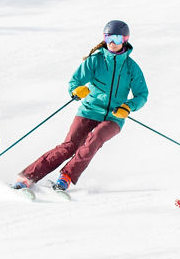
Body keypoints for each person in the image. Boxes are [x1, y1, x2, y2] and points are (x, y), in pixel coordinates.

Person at [13, 20, 148, 192]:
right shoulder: (95, 61)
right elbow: (75, 81)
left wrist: (128, 107)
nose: (112, 43)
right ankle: (27, 176)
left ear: (125, 39)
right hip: (89, 111)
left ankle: (66, 177)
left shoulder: (131, 68)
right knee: (69, 147)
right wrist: (76, 91)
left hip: (114, 117)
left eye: (117, 38)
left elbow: (142, 94)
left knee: (95, 138)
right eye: (109, 38)